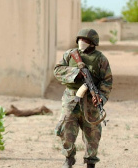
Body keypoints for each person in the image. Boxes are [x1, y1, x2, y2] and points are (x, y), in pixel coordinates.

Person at [54, 28, 113, 168]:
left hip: (91, 103)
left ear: (92, 43)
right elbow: (57, 71)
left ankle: (91, 161)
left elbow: (107, 81)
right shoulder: (70, 54)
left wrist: (101, 97)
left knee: (92, 135)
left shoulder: (101, 59)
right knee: (66, 130)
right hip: (71, 99)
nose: (82, 42)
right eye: (80, 39)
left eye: (85, 40)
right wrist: (76, 73)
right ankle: (69, 158)